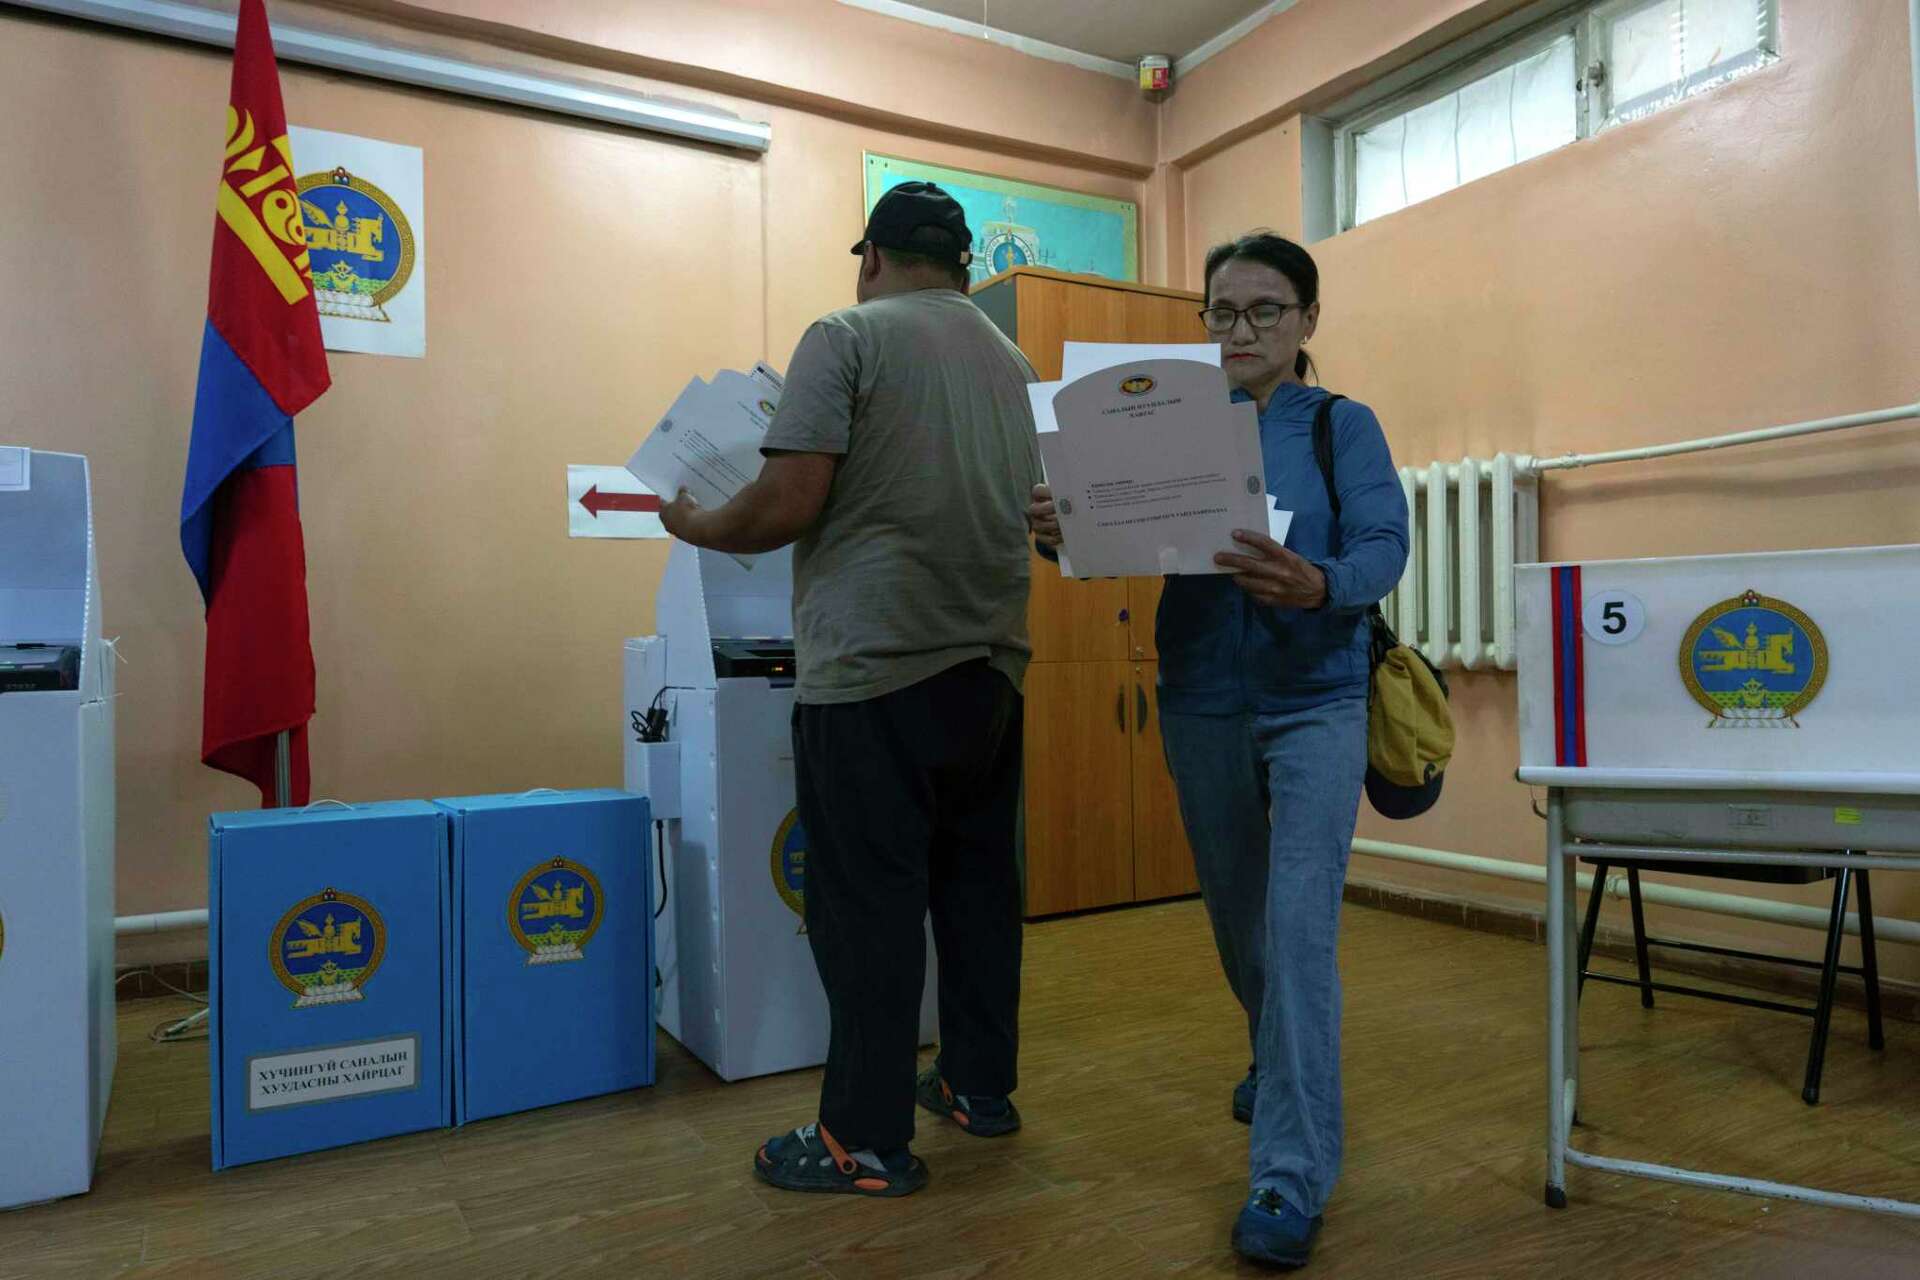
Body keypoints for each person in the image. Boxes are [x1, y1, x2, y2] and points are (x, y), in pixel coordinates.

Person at [1029, 232, 1408, 1269]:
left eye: (1265, 312)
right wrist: (1062, 527)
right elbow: (1114, 545)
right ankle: (1271, 1053)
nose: (1240, 331)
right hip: (1198, 696)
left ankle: (1288, 1175)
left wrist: (1320, 582)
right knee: (1239, 919)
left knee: (1296, 930)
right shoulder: (1166, 417)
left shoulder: (1340, 427)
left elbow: (1385, 545)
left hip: (1316, 700)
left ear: (1306, 322)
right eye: (1223, 312)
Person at [661, 182, 1040, 1199]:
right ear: (960, 265)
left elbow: (787, 501)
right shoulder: (1012, 362)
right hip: (992, 665)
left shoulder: (844, 334)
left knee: (866, 908)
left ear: (871, 255)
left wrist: (694, 522)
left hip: (874, 669)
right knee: (976, 891)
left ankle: (861, 1139)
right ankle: (976, 1085)